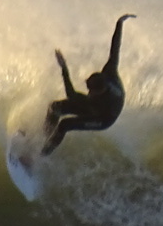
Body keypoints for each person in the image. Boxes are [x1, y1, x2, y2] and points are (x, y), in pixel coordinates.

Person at [42, 14, 136, 156]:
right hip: (96, 105)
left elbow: (72, 95)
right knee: (55, 107)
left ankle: (40, 155)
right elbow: (115, 48)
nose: (88, 92)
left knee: (65, 124)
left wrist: (64, 68)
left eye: (91, 91)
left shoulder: (104, 103)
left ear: (99, 91)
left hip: (103, 118)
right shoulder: (109, 70)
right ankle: (42, 136)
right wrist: (119, 23)